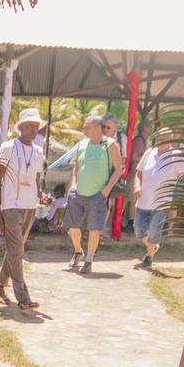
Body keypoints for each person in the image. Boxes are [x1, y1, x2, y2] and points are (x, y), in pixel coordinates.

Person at [0, 107, 45, 310]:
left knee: (15, 250)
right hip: (10, 205)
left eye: (36, 126)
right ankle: (23, 297)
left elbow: (36, 178)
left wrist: (41, 196)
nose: (33, 129)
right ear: (21, 127)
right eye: (30, 125)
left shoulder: (38, 151)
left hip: (29, 205)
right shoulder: (8, 147)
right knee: (17, 253)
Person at [65, 114, 123, 273]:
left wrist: (106, 190)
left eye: (87, 127)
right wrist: (72, 187)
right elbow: (76, 168)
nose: (84, 129)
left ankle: (89, 259)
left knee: (94, 229)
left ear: (98, 128)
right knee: (72, 227)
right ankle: (78, 251)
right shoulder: (82, 144)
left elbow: (119, 169)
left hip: (98, 194)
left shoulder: (110, 144)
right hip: (78, 193)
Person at [133, 128, 184, 269]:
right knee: (138, 230)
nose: (160, 141)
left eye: (164, 138)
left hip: (161, 203)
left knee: (154, 232)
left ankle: (149, 257)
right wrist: (136, 186)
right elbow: (138, 173)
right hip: (143, 201)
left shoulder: (176, 155)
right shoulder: (149, 152)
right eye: (158, 138)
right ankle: (153, 246)